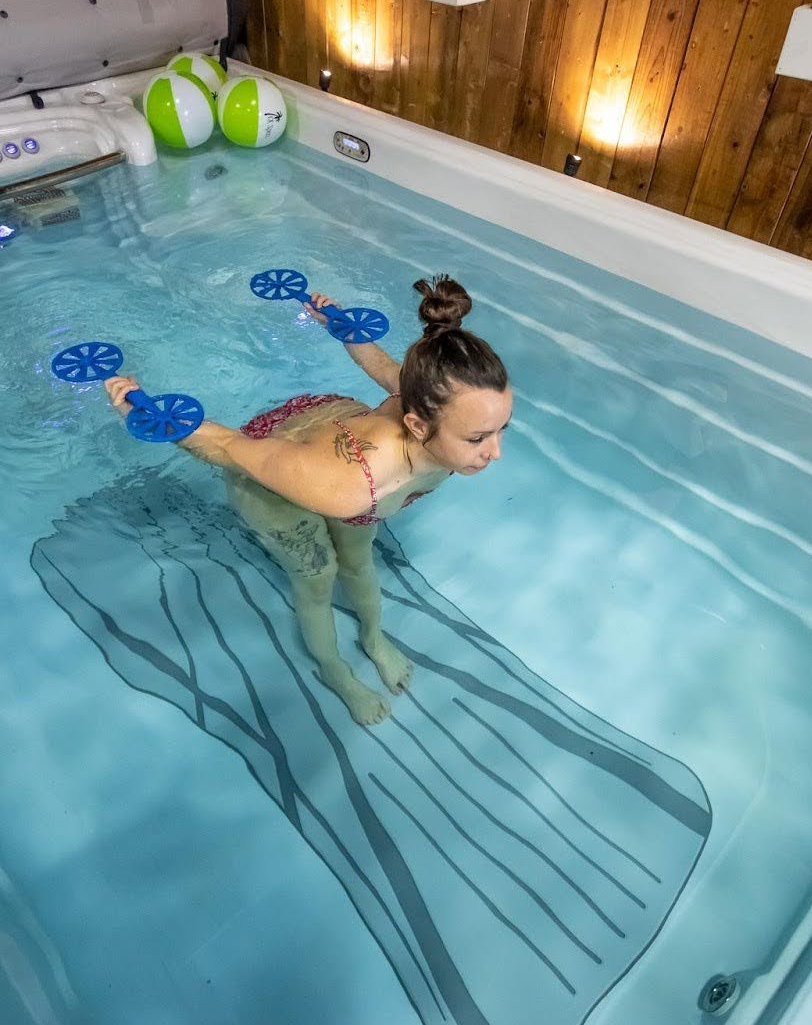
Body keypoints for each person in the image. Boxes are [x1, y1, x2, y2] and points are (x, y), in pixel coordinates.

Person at [104, 275, 511, 726]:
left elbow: (385, 368)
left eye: (501, 429)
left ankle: (373, 639)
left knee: (358, 560)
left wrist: (339, 327)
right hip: (281, 477)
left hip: (337, 442)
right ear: (418, 426)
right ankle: (335, 671)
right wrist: (144, 410)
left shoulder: (441, 398)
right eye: (478, 438)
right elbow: (225, 447)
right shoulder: (343, 487)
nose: (495, 452)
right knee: (318, 576)